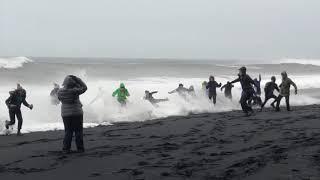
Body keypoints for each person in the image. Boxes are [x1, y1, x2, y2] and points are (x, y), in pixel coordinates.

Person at [58, 75, 87, 153]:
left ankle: (66, 149)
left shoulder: (60, 91)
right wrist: (78, 79)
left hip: (65, 114)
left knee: (68, 131)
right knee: (78, 131)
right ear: (73, 84)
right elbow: (84, 88)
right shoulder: (74, 91)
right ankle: (80, 149)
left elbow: (58, 99)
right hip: (77, 113)